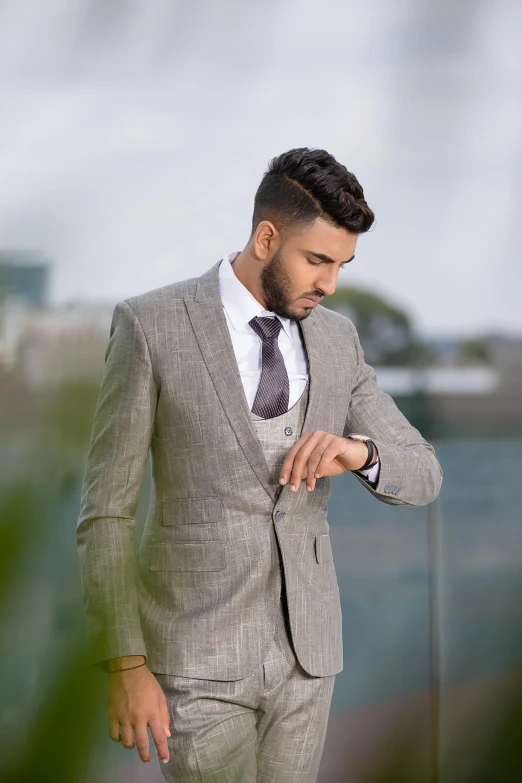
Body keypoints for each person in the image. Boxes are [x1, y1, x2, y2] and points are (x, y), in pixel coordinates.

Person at [76, 147, 443, 782]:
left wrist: (357, 453)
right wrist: (125, 665)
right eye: (317, 260)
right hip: (196, 658)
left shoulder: (336, 339)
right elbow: (106, 512)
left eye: (342, 265)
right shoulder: (151, 324)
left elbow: (423, 472)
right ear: (266, 237)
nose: (328, 284)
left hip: (308, 660)